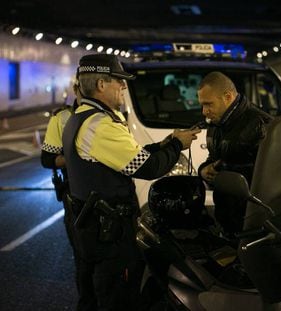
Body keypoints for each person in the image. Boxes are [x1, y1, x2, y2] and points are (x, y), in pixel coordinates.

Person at [62, 53, 200, 311]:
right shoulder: (101, 125)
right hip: (110, 233)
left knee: (92, 293)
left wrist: (165, 143)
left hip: (90, 225)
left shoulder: (81, 116)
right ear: (102, 85)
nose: (124, 86)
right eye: (119, 81)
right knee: (118, 297)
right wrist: (177, 146)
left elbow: (126, 156)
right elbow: (148, 167)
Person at [197, 71, 272, 236]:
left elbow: (269, 177)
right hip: (227, 219)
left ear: (228, 97)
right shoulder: (216, 124)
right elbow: (214, 158)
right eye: (202, 105)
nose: (204, 111)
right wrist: (203, 170)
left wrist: (225, 173)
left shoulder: (261, 125)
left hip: (252, 223)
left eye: (208, 104)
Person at [41, 74, 81, 257]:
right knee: (83, 255)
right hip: (74, 192)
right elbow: (47, 159)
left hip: (110, 191)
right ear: (76, 89)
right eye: (82, 88)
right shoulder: (63, 117)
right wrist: (77, 157)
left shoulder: (113, 115)